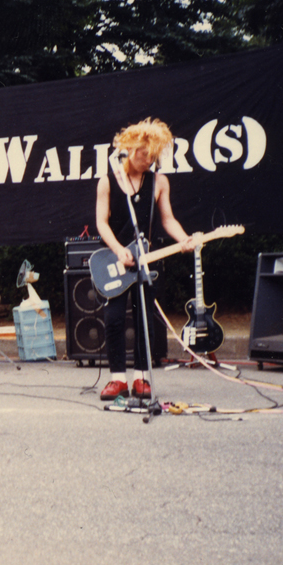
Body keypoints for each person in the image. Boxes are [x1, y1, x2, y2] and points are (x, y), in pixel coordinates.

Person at [95, 118, 196, 401]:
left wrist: (184, 239)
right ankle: (117, 379)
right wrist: (118, 249)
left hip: (147, 260)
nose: (148, 158)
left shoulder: (159, 182)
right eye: (143, 152)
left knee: (145, 318)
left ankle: (141, 377)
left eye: (153, 154)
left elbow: (168, 219)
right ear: (128, 148)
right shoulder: (107, 181)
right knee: (114, 318)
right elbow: (102, 223)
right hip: (118, 261)